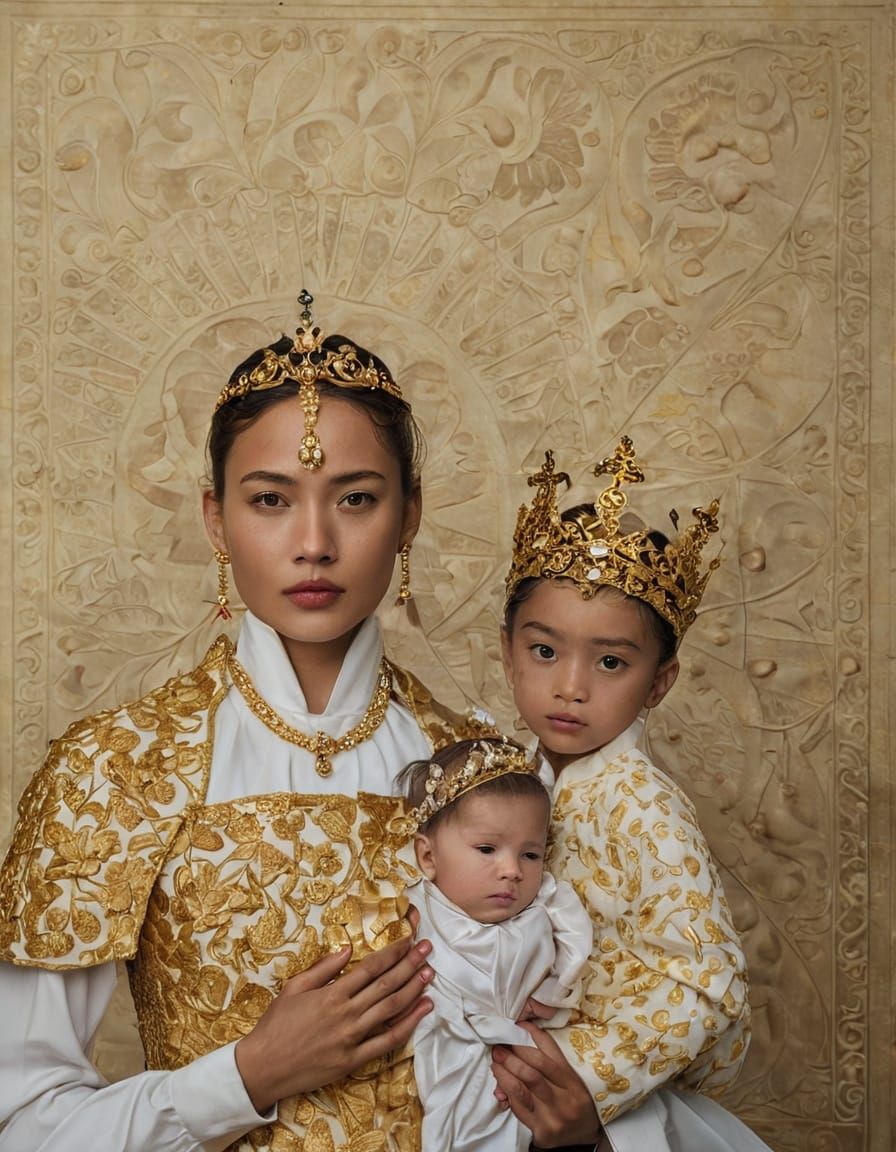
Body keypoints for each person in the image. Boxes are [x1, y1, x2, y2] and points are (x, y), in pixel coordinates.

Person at [0, 292, 499, 1152]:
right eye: (271, 500)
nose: (314, 543)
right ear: (215, 521)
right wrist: (247, 1077)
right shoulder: (116, 770)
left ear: (409, 515)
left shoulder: (483, 774)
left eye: (355, 499)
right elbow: (22, 1123)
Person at [491, 438, 772, 1152]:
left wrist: (587, 1079)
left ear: (658, 683)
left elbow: (710, 983)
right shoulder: (502, 780)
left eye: (610, 661)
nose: (571, 685)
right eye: (545, 650)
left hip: (593, 1114)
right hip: (501, 1089)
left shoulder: (644, 805)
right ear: (507, 650)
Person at [400, 736, 593, 1152]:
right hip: (448, 1052)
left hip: (522, 1059)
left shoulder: (546, 906)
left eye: (530, 855)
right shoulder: (416, 908)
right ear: (428, 857)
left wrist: (549, 996)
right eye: (487, 849)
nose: (512, 871)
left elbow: (577, 952)